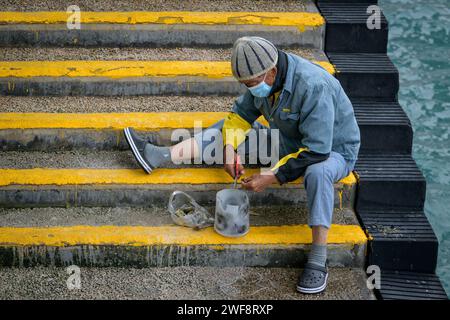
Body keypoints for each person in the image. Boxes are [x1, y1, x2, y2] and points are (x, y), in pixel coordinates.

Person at [123, 36, 361, 294]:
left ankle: (318, 259)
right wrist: (229, 149)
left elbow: (316, 150)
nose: (251, 89)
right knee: (225, 128)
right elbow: (240, 116)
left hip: (331, 151)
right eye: (246, 85)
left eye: (253, 84)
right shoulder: (264, 80)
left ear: (272, 71)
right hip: (288, 141)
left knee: (318, 172)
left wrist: (270, 176)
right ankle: (158, 156)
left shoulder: (313, 85)